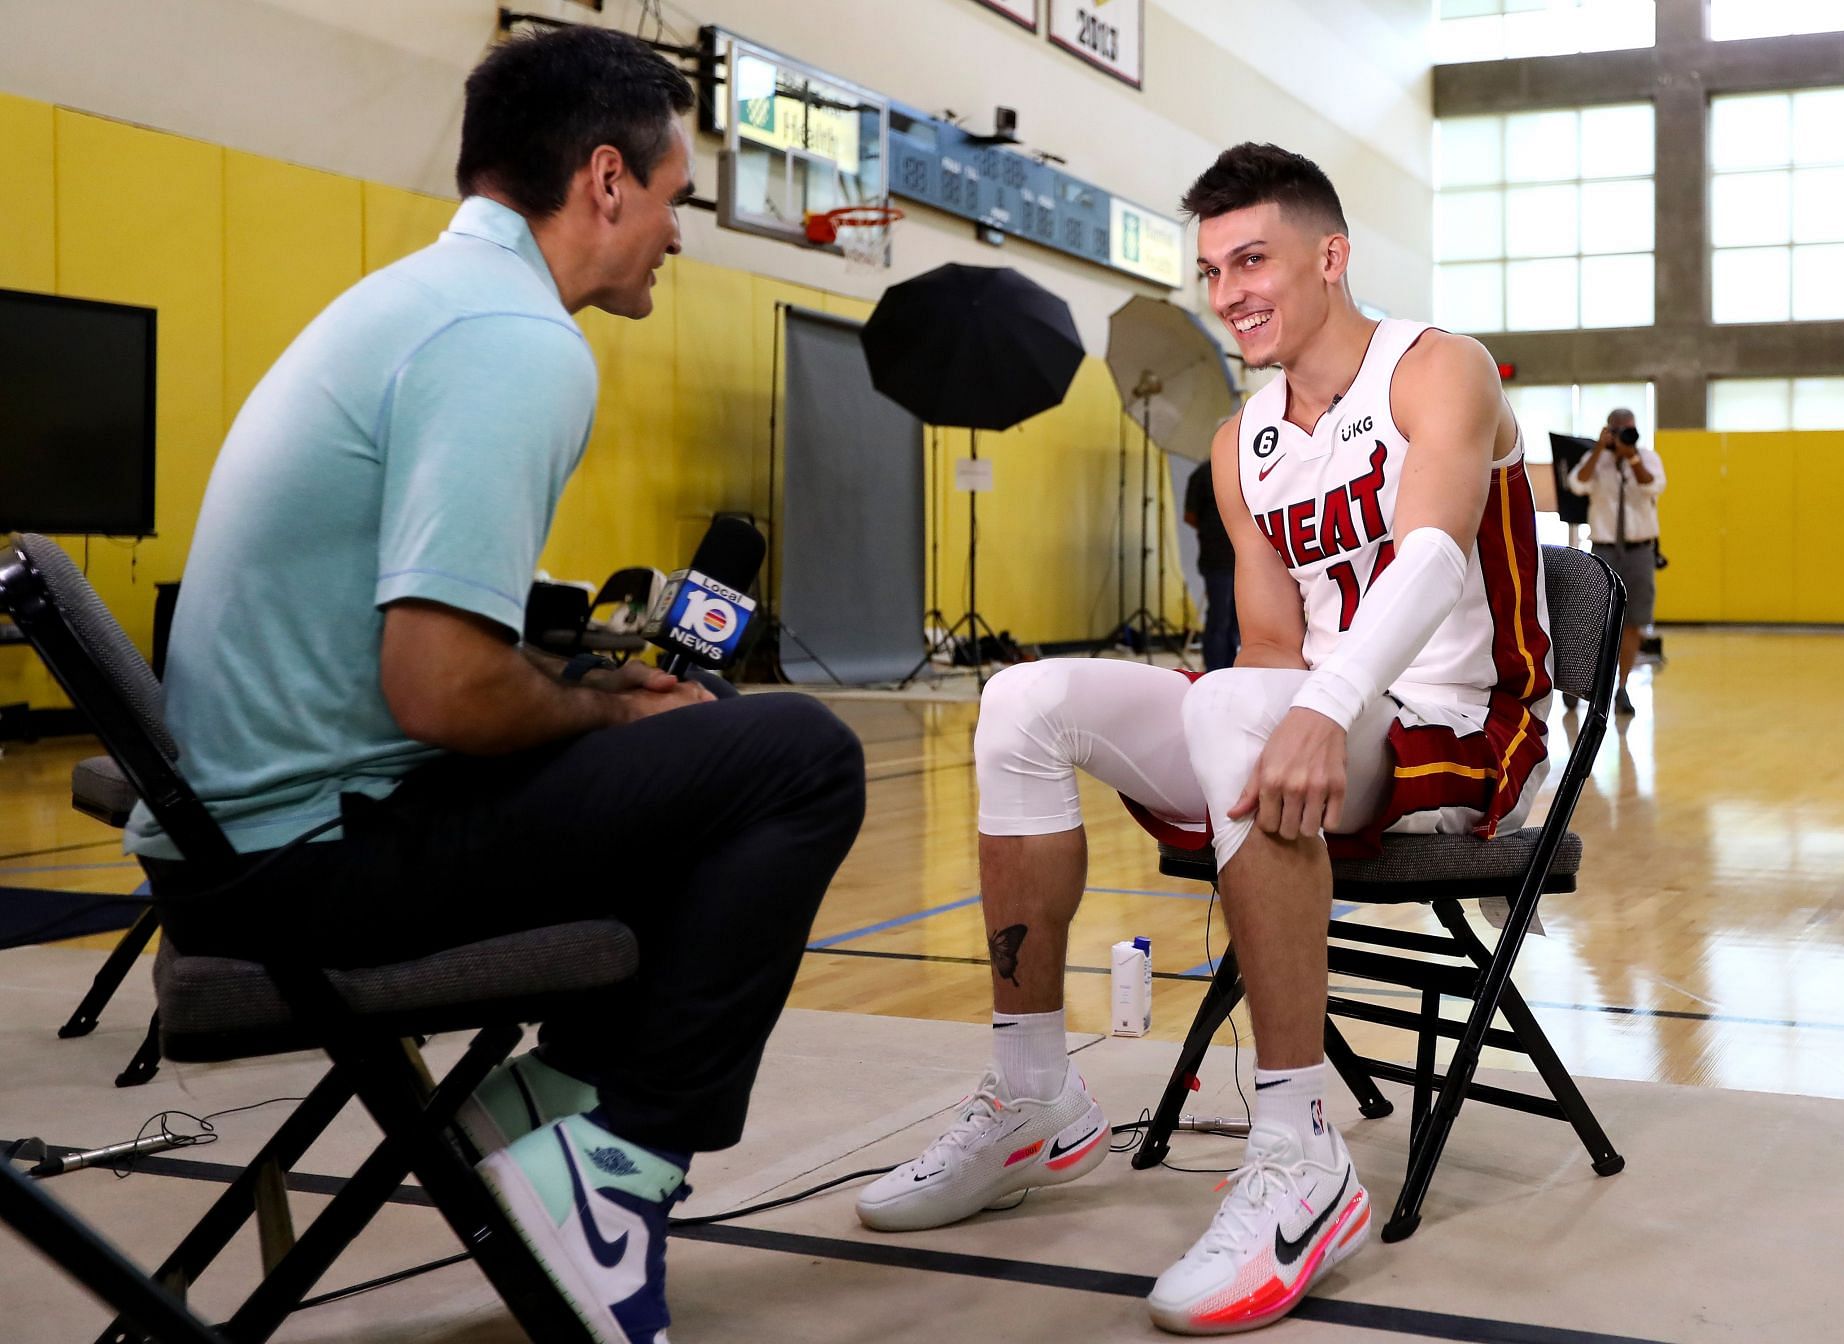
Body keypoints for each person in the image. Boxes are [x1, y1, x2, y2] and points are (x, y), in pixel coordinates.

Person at [124, 28, 865, 1344]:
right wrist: (595, 708)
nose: (678, 236)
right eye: (678, 198)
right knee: (799, 760)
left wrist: (603, 702)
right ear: (604, 180)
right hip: (298, 864)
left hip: (243, 834)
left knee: (701, 747)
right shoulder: (514, 340)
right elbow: (442, 691)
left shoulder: (422, 299)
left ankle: (542, 1111)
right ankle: (612, 1162)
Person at [857, 143, 1553, 1336]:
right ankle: (1035, 1095)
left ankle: (1300, 1152)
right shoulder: (1243, 446)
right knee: (1022, 702)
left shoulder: (1441, 369)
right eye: (1211, 269)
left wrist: (1319, 709)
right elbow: (1274, 640)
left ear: (1330, 258)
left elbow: (1436, 556)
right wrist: (1291, 708)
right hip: (1311, 722)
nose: (1227, 292)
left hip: (1449, 727)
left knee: (1246, 704)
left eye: (1252, 260)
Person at [1567, 409, 1663, 718]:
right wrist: (1598, 450)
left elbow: (1652, 486)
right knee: (1594, 619)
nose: (1623, 435)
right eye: (1618, 430)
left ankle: (1622, 688)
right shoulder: (1597, 461)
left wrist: (1631, 458)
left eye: (1629, 430)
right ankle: (1582, 685)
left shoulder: (1647, 458)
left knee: (1634, 620)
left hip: (1639, 550)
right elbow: (1577, 483)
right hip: (1604, 549)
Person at [1185, 458, 1240, 671]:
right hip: (1217, 558)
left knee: (1238, 620)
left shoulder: (1245, 470)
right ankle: (1214, 670)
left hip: (1243, 559)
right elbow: (1190, 515)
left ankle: (1230, 668)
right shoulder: (1203, 474)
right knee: (1219, 616)